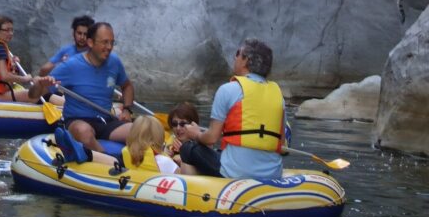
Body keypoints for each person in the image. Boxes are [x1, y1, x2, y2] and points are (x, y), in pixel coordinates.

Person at [176, 38, 286, 180]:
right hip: (273, 173)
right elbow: (281, 142)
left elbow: (211, 138)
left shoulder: (228, 90)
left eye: (238, 54)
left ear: (246, 60)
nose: (235, 58)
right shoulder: (278, 96)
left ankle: (198, 177)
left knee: (188, 148)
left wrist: (196, 134)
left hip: (235, 173)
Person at [53, 21, 135, 151]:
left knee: (139, 131)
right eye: (105, 42)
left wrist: (127, 109)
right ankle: (108, 161)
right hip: (76, 121)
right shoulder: (70, 65)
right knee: (84, 131)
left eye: (112, 43)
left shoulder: (114, 62)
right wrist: (40, 84)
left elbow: (127, 86)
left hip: (104, 121)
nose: (109, 47)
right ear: (90, 43)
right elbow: (36, 93)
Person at [56, 115, 179, 173]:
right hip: (154, 185)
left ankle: (86, 153)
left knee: (116, 161)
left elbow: (114, 161)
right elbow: (184, 177)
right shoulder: (164, 161)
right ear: (159, 137)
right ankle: (84, 152)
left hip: (129, 170)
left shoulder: (130, 155)